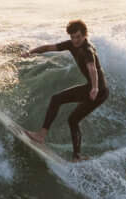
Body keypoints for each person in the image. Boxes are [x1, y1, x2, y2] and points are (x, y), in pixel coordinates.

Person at [25, 20, 108, 159]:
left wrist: (94, 88)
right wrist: (31, 52)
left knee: (57, 99)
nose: (75, 40)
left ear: (85, 35)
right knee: (73, 120)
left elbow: (92, 68)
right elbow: (48, 48)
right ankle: (77, 156)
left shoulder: (87, 50)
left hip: (99, 91)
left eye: (78, 37)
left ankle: (41, 135)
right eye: (72, 37)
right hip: (95, 89)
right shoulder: (71, 45)